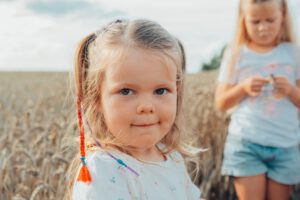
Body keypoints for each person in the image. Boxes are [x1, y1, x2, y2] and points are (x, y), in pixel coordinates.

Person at [66, 19, 201, 200]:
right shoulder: (103, 170)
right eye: (126, 91)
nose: (146, 106)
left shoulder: (170, 157)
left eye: (160, 91)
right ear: (96, 98)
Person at [215, 0, 300, 199]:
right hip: (246, 143)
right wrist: (243, 88)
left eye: (270, 20)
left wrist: (290, 89)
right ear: (243, 19)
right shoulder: (236, 54)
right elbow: (221, 103)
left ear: (283, 15)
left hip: (285, 145)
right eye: (255, 21)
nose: (263, 28)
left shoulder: (293, 53)